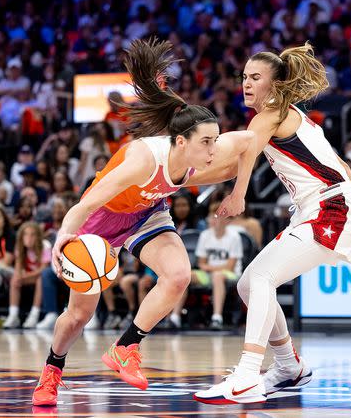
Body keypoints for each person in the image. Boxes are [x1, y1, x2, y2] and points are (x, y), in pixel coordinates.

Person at [31, 38, 255, 406]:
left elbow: (248, 142)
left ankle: (126, 347)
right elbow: (86, 204)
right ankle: (52, 371)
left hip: (147, 214)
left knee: (179, 275)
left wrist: (239, 193)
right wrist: (63, 236)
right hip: (101, 221)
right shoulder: (141, 159)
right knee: (77, 316)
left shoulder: (199, 151)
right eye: (207, 143)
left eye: (215, 141)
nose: (214, 150)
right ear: (181, 142)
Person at [194, 42, 351, 404]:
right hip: (331, 206)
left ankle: (248, 375)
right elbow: (339, 163)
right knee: (249, 284)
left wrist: (238, 195)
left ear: (275, 84)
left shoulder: (271, 114)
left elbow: (247, 153)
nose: (246, 84)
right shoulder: (290, 115)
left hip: (331, 210)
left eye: (255, 77)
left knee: (261, 278)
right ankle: (288, 366)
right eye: (244, 77)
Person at [170, 201, 243, 330]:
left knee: (217, 276)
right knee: (186, 275)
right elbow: (201, 263)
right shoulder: (205, 235)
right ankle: (175, 317)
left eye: (218, 216)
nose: (213, 219)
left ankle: (217, 317)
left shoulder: (234, 237)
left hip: (230, 275)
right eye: (212, 216)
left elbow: (230, 267)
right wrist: (210, 268)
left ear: (226, 219)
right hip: (209, 273)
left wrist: (210, 268)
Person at [3, 221, 49, 329]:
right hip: (29, 277)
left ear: (38, 236)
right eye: (26, 234)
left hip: (40, 277)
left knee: (40, 279)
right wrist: (19, 276)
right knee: (14, 279)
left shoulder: (45, 245)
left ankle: (34, 314)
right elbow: (18, 268)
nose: (29, 238)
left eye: (32, 235)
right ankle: (13, 314)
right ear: (21, 236)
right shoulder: (19, 247)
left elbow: (43, 268)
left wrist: (25, 276)